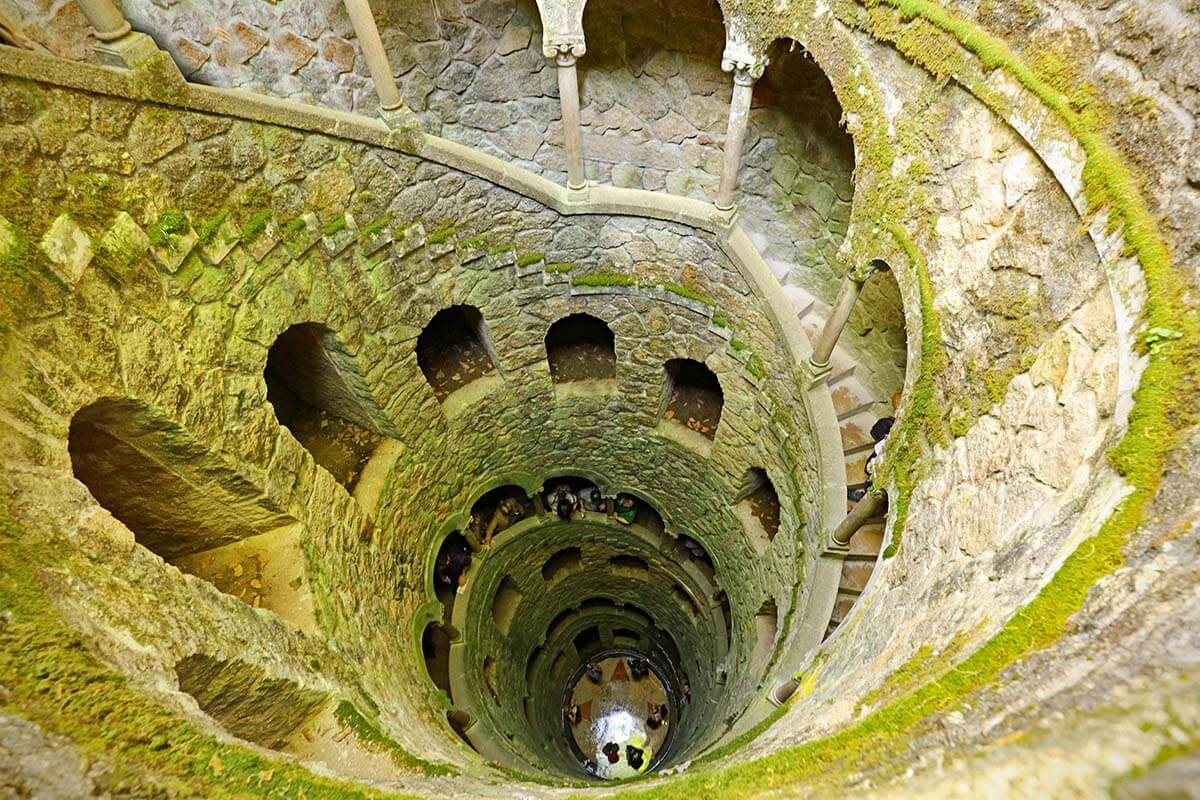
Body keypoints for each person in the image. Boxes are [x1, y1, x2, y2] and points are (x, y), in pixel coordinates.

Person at [849, 416, 894, 502]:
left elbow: (867, 469)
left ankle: (863, 497)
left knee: (868, 484)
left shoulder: (881, 448)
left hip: (880, 483)